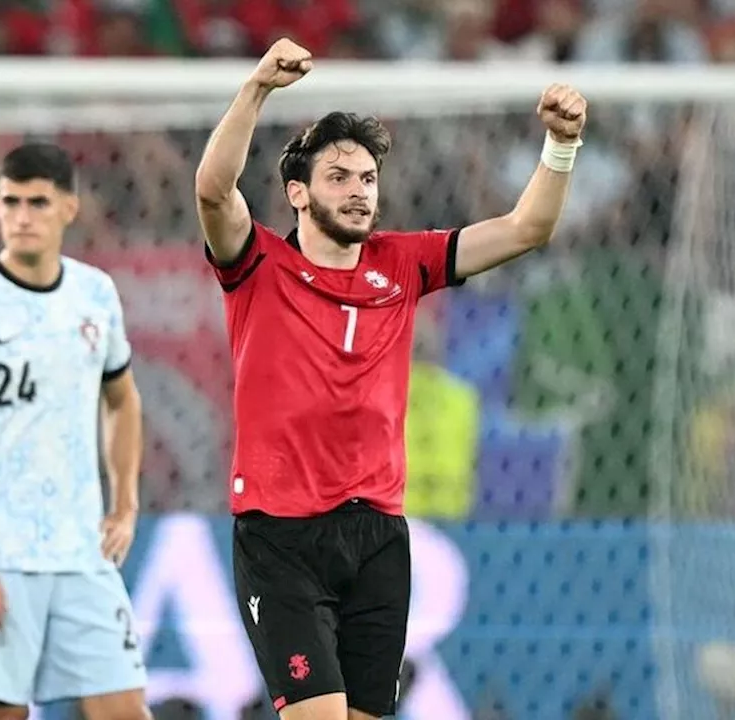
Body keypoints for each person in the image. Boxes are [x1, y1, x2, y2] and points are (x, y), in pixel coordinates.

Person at [194, 38, 587, 720]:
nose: (358, 192)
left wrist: (562, 144)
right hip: (281, 535)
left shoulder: (403, 264)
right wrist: (256, 89)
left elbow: (529, 227)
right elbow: (211, 189)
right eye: (340, 177)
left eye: (368, 179)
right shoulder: (257, 265)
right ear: (298, 192)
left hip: (377, 535)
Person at [0, 143, 151, 720]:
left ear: (70, 207)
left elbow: (122, 398)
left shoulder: (95, 295)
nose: (22, 216)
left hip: (81, 554)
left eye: (38, 203)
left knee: (125, 710)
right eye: (10, 201)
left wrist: (125, 502)